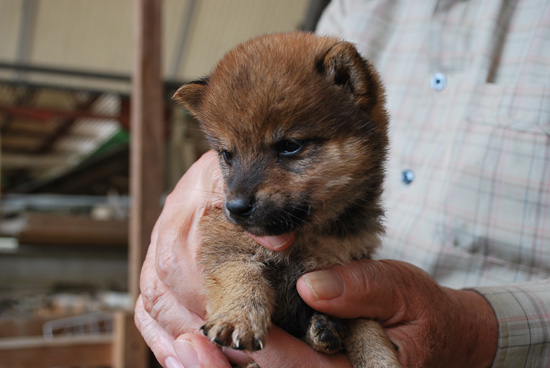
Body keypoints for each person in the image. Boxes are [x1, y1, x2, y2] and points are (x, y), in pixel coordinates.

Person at [135, 0, 550, 367]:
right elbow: (229, 260)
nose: (239, 194)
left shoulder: (336, 68)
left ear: (349, 88)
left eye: (290, 147)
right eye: (228, 155)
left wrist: (481, 332)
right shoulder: (351, 8)